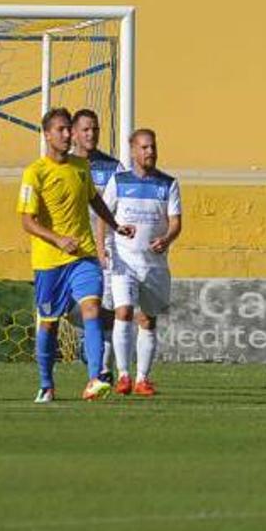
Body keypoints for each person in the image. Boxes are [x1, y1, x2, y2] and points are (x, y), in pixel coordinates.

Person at [17, 107, 134, 403]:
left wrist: (116, 225)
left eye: (69, 129)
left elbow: (95, 201)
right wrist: (57, 239)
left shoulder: (81, 167)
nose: (68, 135)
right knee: (49, 323)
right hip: (49, 262)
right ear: (47, 135)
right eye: (61, 129)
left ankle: (96, 378)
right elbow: (27, 221)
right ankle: (46, 383)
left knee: (92, 309)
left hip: (83, 256)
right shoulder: (35, 173)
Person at [97, 128, 182, 397]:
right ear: (133, 151)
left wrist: (166, 239)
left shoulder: (168, 184)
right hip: (124, 260)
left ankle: (142, 378)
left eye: (153, 147)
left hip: (153, 264)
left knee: (147, 319)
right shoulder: (119, 181)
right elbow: (103, 215)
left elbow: (176, 223)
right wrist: (102, 249)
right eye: (144, 148)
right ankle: (123, 375)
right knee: (123, 312)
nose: (150, 152)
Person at [71, 108, 126, 383]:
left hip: (102, 250)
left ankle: (102, 373)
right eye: (85, 129)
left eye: (95, 129)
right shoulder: (64, 165)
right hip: (68, 250)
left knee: (106, 312)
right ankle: (88, 351)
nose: (91, 134)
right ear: (73, 133)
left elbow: (119, 208)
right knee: (70, 314)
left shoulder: (112, 167)